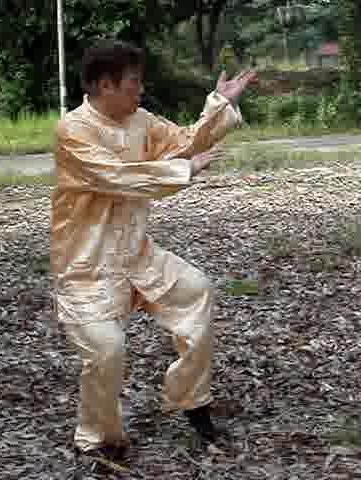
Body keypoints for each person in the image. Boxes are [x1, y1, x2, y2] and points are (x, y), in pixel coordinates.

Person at [50, 39, 257, 454]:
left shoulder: (141, 120)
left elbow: (183, 142)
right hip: (86, 266)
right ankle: (99, 439)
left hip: (137, 254)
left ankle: (192, 400)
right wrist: (183, 170)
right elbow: (116, 177)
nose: (140, 90)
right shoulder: (73, 130)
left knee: (196, 291)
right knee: (107, 350)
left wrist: (219, 104)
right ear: (105, 85)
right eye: (133, 82)